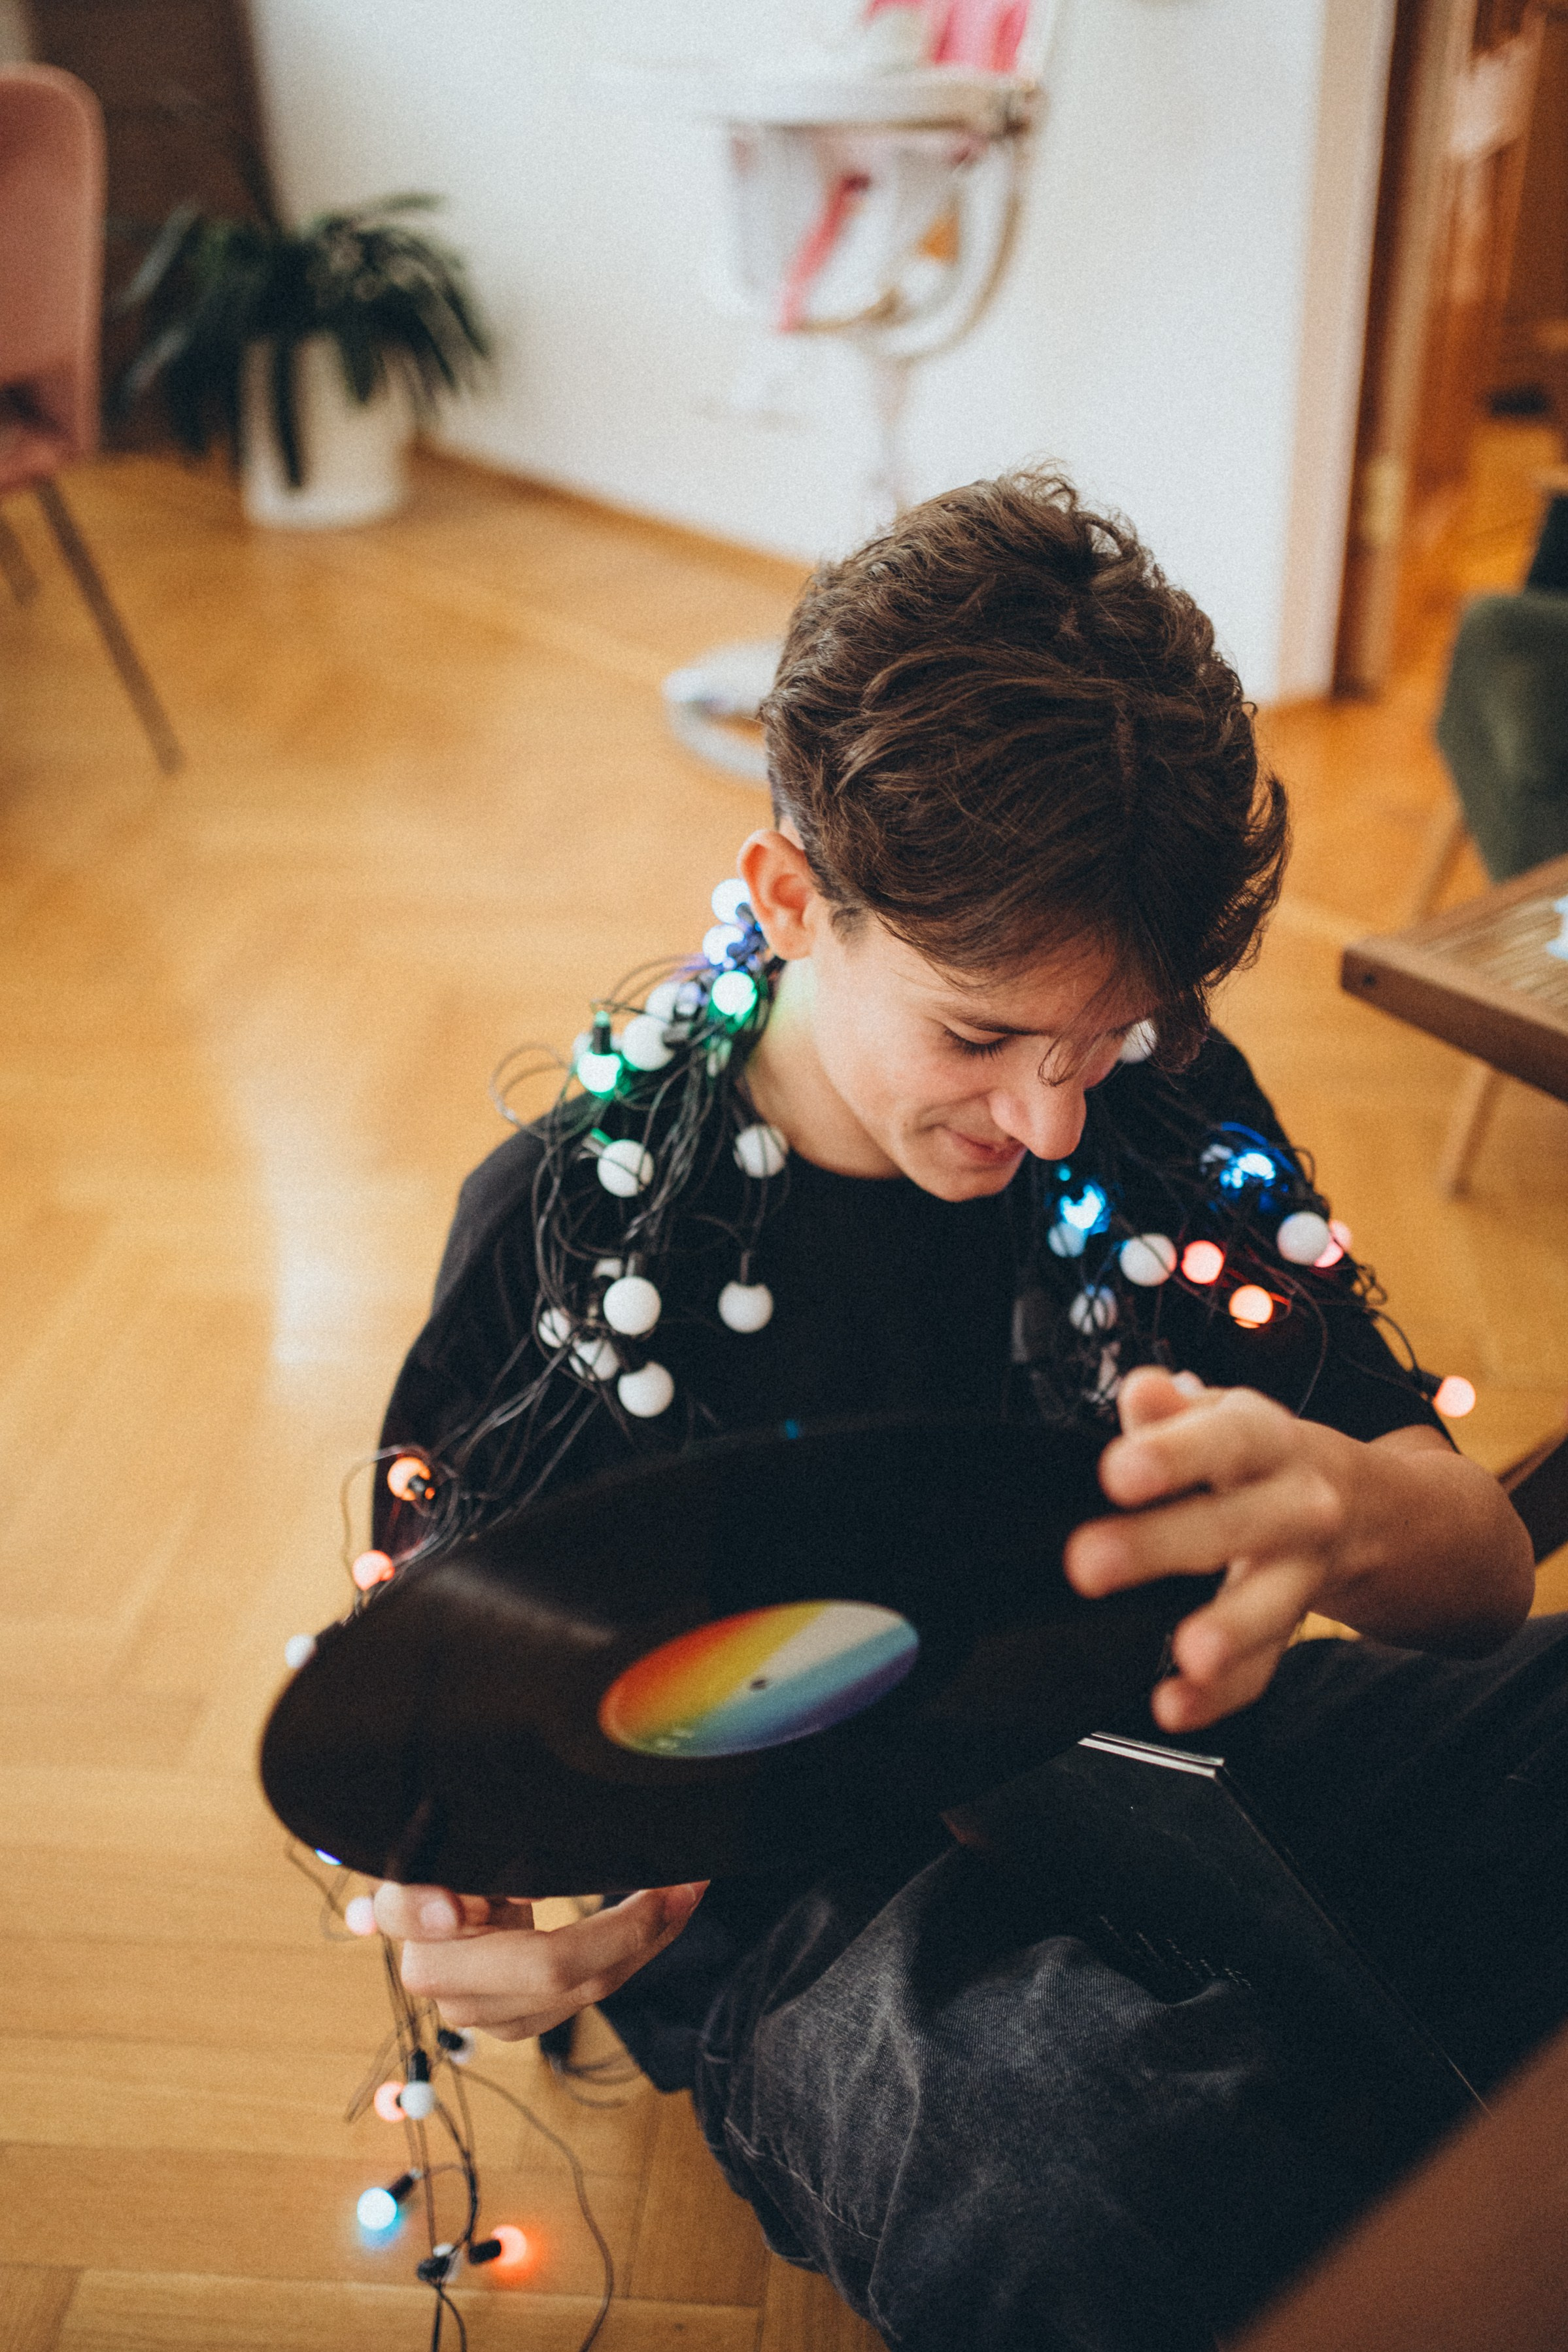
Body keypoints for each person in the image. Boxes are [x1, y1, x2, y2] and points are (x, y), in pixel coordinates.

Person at [365, 475, 1559, 2351]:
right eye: (981, 1039)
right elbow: (427, 1747)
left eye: (1109, 1037)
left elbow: (1482, 1572)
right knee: (1079, 2165)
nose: (1057, 1120)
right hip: (799, 1898)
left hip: (1167, 1763)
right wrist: (471, 1937)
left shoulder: (1157, 1095)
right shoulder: (580, 1230)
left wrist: (1339, 1495)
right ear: (789, 897)